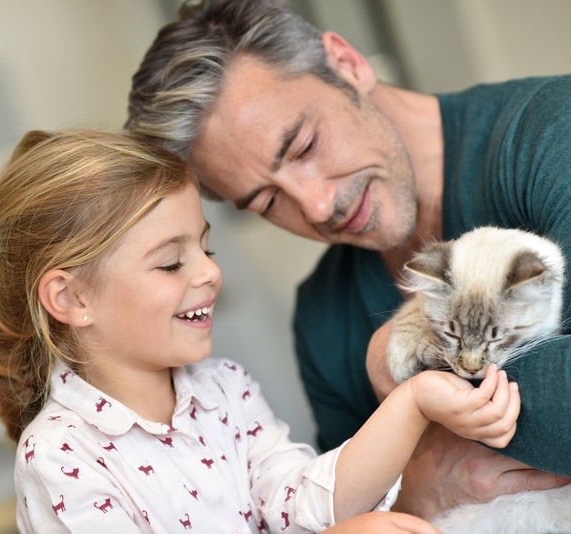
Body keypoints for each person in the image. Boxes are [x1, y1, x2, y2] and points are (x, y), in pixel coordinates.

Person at [125, 0, 571, 521]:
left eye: (305, 145)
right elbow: (341, 518)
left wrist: (403, 370)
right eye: (267, 202)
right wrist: (417, 491)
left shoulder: (550, 136)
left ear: (347, 63)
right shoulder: (322, 318)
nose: (316, 207)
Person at [0, 128, 520, 533]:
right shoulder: (58, 456)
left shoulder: (224, 390)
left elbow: (302, 502)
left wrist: (417, 401)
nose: (209, 272)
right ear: (72, 298)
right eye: (171, 263)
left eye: (206, 245)